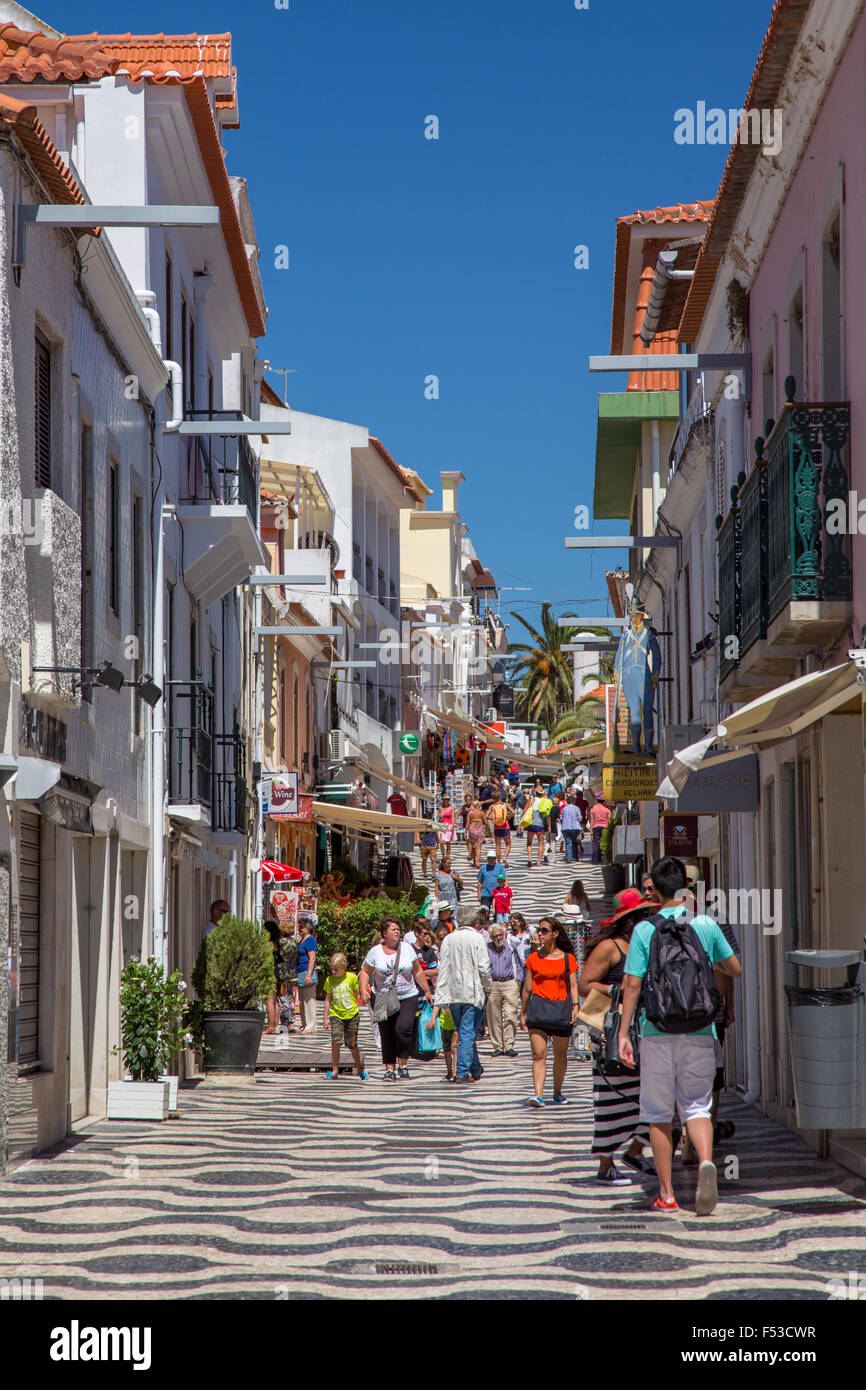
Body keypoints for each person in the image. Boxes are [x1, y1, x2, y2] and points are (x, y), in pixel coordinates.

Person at [618, 857, 742, 1215]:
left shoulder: (644, 929)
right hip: (702, 1029)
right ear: (686, 888)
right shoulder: (704, 924)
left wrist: (625, 1033)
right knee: (698, 1105)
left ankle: (667, 1193)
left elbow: (632, 984)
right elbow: (733, 968)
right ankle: (706, 1160)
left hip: (656, 1031)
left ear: (653, 890)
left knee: (659, 1113)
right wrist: (707, 959)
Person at [578, 889, 655, 1186]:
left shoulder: (642, 945)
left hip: (643, 1031)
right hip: (613, 1034)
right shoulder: (611, 947)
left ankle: (635, 1152)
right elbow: (584, 984)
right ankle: (605, 1165)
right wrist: (616, 991)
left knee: (654, 1096)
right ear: (628, 920)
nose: (647, 920)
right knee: (611, 1098)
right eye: (642, 915)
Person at [359, 916, 433, 1081]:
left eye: (398, 929)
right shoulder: (375, 952)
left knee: (403, 1028)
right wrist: (363, 989)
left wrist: (426, 990)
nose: (397, 932)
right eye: (393, 929)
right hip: (382, 997)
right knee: (386, 1033)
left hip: (408, 995)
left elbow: (417, 971)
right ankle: (389, 1069)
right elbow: (365, 971)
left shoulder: (407, 948)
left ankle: (403, 1064)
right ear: (384, 933)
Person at [520, 918, 579, 1106]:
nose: (540, 934)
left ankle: (557, 1092)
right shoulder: (533, 958)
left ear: (555, 933)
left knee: (560, 1055)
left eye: (544, 930)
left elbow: (573, 985)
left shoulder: (567, 958)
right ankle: (538, 1095)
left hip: (561, 1009)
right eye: (539, 930)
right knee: (539, 1054)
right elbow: (527, 988)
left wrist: (576, 1005)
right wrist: (522, 1012)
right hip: (538, 1011)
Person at [433, 905, 493, 1082]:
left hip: (453, 993)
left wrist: (441, 994)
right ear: (474, 921)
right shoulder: (476, 938)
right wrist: (488, 986)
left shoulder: (449, 939)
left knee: (464, 1030)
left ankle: (475, 1068)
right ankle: (461, 1072)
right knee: (467, 1032)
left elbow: (442, 967)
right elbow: (483, 967)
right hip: (471, 992)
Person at [322, 953, 368, 1079]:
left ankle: (359, 1068)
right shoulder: (329, 980)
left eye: (336, 969)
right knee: (335, 1042)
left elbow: (357, 994)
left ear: (344, 967)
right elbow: (327, 999)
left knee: (352, 1044)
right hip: (336, 1015)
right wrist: (325, 1017)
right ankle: (335, 1070)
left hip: (352, 1015)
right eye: (332, 969)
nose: (333, 971)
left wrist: (364, 997)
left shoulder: (352, 978)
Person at [486, 924, 524, 1056]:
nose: (498, 938)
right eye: (495, 936)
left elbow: (520, 964)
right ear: (491, 937)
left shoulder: (510, 947)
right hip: (493, 984)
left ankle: (509, 1045)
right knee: (493, 1016)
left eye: (500, 935)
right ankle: (497, 1046)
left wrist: (518, 979)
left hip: (509, 983)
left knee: (510, 1015)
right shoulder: (487, 949)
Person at [296, 918, 319, 1033]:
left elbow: (312, 958)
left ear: (308, 928)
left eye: (301, 927)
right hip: (300, 972)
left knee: (309, 1000)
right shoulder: (302, 940)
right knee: (302, 1000)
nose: (299, 929)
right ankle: (305, 1024)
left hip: (306, 971)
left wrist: (309, 974)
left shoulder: (310, 940)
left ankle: (311, 1025)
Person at [263, 920, 282, 1033]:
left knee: (269, 1000)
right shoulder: (276, 944)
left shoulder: (268, 944)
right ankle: (275, 1024)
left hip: (269, 973)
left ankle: (270, 1026)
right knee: (274, 1000)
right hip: (276, 973)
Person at [521, 791, 546, 868]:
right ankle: (538, 862)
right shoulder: (544, 800)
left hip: (531, 823)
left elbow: (525, 809)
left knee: (529, 842)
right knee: (541, 844)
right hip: (540, 823)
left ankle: (530, 858)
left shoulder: (532, 799)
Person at [477, 848, 505, 912]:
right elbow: (479, 881)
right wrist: (479, 894)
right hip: (486, 894)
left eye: (493, 858)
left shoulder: (500, 868)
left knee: (498, 912)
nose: (491, 860)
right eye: (489, 858)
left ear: (495, 858)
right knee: (484, 912)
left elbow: (505, 880)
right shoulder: (483, 868)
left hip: (498, 893)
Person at [465, 798, 489, 868]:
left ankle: (474, 861)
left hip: (472, 830)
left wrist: (466, 832)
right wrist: (489, 831)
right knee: (478, 847)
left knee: (473, 846)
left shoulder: (470, 813)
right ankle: (478, 862)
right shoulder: (481, 813)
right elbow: (486, 822)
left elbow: (467, 823)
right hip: (479, 831)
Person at [489, 792, 513, 864]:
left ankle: (499, 862)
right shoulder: (506, 805)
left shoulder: (492, 806)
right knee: (508, 844)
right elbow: (513, 812)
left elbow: (486, 816)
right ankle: (505, 857)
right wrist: (508, 817)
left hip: (497, 827)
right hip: (505, 826)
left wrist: (493, 819)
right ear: (500, 797)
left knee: (498, 846)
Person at [560, 796, 583, 864]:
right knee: (575, 842)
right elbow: (580, 818)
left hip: (566, 827)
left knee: (568, 842)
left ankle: (568, 858)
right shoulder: (576, 808)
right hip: (575, 827)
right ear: (574, 801)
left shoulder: (564, 809)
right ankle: (575, 856)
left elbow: (561, 817)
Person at [590, 798, 612, 864]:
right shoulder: (607, 809)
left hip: (596, 827)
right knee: (605, 843)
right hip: (605, 827)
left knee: (596, 844)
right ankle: (605, 859)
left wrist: (591, 830)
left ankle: (595, 860)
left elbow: (592, 820)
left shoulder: (593, 808)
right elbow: (610, 820)